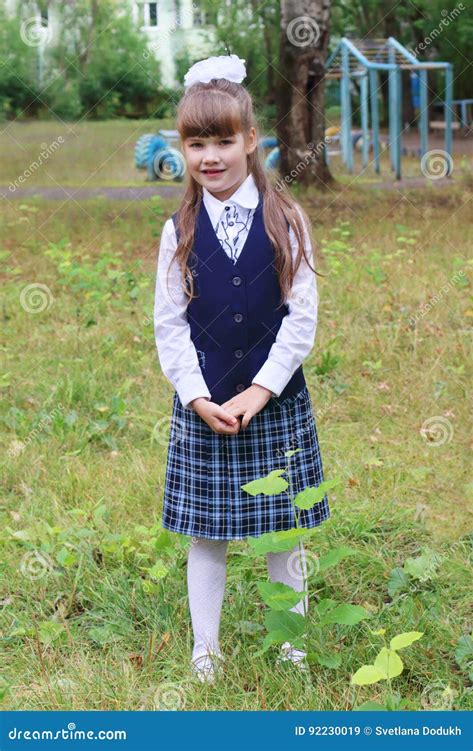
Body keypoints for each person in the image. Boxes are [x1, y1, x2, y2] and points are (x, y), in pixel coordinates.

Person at [153, 54, 330, 683]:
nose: (210, 156)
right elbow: (169, 326)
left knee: (284, 531)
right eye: (197, 142)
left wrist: (259, 391)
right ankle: (207, 650)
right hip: (204, 405)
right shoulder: (178, 230)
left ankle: (292, 645)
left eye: (224, 140)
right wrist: (198, 397)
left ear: (251, 140)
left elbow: (300, 321)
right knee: (208, 533)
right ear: (184, 149)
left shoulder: (287, 221)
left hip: (274, 403)